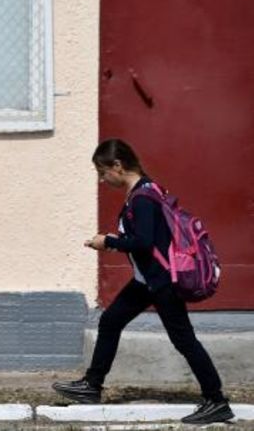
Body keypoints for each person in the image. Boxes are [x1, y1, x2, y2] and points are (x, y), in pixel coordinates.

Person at [52, 139, 233, 425]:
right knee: (111, 321)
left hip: (162, 284)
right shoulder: (145, 190)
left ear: (118, 166)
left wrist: (108, 241)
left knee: (184, 341)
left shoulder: (143, 198)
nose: (102, 179)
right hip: (146, 281)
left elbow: (144, 243)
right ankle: (92, 385)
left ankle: (216, 401)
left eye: (102, 172)